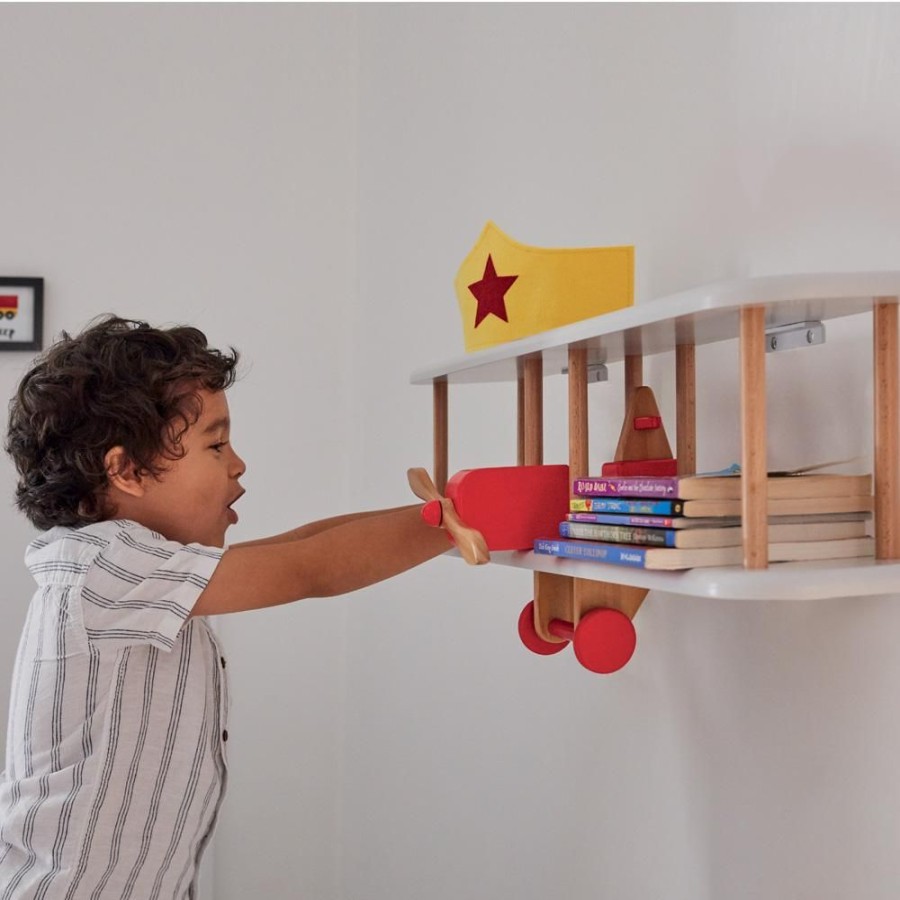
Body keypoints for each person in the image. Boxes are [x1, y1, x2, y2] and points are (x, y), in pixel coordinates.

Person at [0, 316, 453, 898]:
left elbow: (295, 546)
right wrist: (454, 527)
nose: (237, 464)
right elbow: (307, 569)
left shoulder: (144, 569)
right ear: (128, 471)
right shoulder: (102, 566)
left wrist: (434, 515)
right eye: (216, 445)